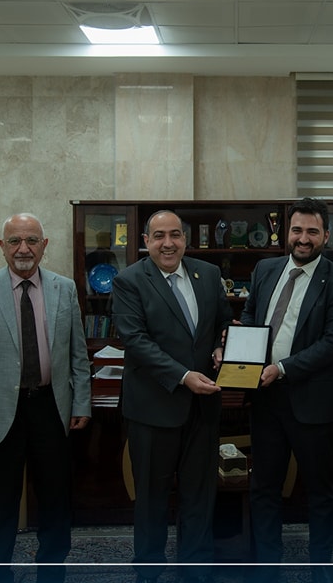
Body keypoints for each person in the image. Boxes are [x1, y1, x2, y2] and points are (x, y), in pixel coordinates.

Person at [0, 213, 91, 583]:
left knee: (55, 497)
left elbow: (77, 353)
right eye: (14, 241)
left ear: (44, 246)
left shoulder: (64, 288)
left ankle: (52, 570)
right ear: (2, 246)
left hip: (52, 406)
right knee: (0, 500)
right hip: (0, 411)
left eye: (32, 240)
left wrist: (81, 402)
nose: (23, 249)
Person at [240, 197, 333, 583]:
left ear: (326, 235)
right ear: (286, 233)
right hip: (265, 400)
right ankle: (267, 568)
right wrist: (236, 348)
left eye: (311, 231)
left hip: (312, 402)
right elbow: (250, 315)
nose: (303, 238)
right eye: (296, 230)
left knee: (320, 492)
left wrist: (283, 368)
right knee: (263, 488)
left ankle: (321, 568)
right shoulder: (265, 269)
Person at [111, 210, 234, 583]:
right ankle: (149, 571)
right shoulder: (129, 281)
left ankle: (195, 569)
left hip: (203, 407)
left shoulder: (207, 274)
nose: (168, 243)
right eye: (159, 236)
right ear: (146, 241)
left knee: (200, 496)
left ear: (185, 239)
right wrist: (183, 376)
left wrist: (222, 345)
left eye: (175, 235)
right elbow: (136, 341)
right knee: (152, 500)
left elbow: (223, 321)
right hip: (153, 408)